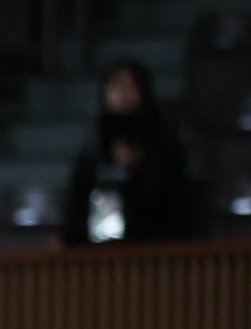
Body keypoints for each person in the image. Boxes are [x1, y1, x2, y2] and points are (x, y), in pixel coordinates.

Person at [61, 60, 191, 247]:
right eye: (116, 85)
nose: (123, 93)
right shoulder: (94, 142)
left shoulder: (162, 141)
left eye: (130, 85)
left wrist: (138, 168)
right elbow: (78, 198)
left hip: (153, 244)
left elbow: (174, 201)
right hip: (100, 246)